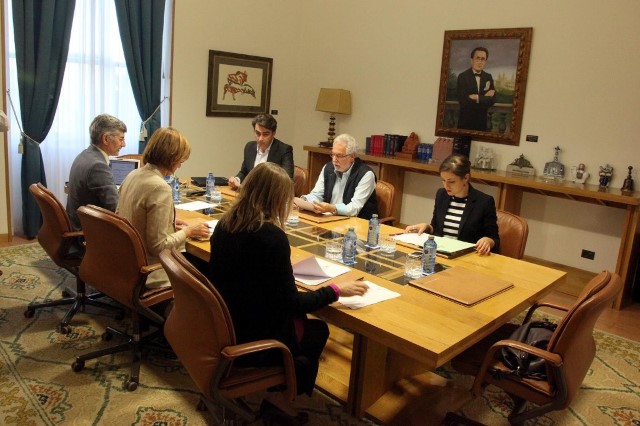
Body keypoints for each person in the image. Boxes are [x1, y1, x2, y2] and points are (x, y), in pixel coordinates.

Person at [209, 162, 368, 418]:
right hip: (254, 335)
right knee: (317, 329)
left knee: (304, 323)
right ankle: (283, 398)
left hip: (225, 322)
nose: (290, 204)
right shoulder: (271, 237)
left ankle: (274, 389)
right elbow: (291, 303)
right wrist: (336, 290)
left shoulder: (225, 223)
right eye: (287, 199)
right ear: (275, 199)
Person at [116, 127, 210, 288]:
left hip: (127, 261)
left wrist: (170, 222)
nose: (180, 166)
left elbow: (131, 216)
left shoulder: (134, 175)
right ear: (171, 158)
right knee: (207, 274)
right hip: (150, 269)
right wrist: (188, 231)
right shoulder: (159, 187)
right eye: (180, 160)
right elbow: (158, 246)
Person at [405, 154, 500, 255]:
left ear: (466, 178)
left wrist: (488, 241)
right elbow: (436, 228)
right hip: (440, 253)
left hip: (467, 257)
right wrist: (427, 227)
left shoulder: (484, 202)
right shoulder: (441, 195)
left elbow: (495, 239)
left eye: (451, 181)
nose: (446, 186)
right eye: (443, 180)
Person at [66, 114, 127, 230]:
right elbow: (116, 209)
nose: (124, 144)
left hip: (76, 223)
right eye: (121, 139)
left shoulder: (84, 155)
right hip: (88, 233)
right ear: (105, 139)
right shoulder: (98, 166)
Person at [297, 133, 378, 219]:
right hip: (330, 219)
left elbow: (355, 208)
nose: (334, 160)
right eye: (333, 154)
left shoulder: (366, 174)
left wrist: (333, 208)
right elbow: (317, 195)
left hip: (356, 224)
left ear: (352, 156)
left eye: (339, 156)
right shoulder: (328, 168)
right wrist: (302, 201)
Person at [227, 113, 294, 190]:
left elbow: (287, 181)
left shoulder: (284, 150)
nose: (260, 139)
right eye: (257, 133)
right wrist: (236, 180)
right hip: (250, 194)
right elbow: (244, 172)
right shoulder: (249, 147)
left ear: (273, 133)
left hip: (272, 196)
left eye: (265, 134)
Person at [456, 47, 496, 131]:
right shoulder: (462, 76)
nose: (480, 62)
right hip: (465, 123)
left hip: (482, 123)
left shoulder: (488, 77)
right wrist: (484, 98)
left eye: (483, 59)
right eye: (477, 58)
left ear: (485, 62)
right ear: (471, 60)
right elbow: (463, 100)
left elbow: (493, 99)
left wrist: (477, 98)